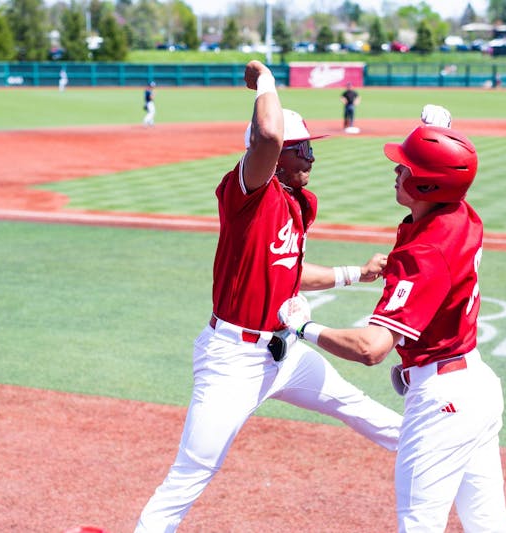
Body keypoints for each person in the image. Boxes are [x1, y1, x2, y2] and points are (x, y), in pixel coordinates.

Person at [133, 60, 403, 532]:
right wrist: (266, 81)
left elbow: (289, 274)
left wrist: (354, 273)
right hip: (232, 359)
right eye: (303, 151)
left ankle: (446, 456)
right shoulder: (247, 195)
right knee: (192, 474)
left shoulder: (298, 204)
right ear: (276, 157)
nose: (311, 160)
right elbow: (268, 136)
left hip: (286, 353)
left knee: (356, 406)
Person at [278, 109, 506, 532]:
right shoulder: (461, 215)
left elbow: (372, 349)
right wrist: (435, 132)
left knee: (419, 525)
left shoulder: (423, 255)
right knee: (489, 526)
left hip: (444, 400)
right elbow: (453, 175)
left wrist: (302, 327)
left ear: (427, 183)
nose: (395, 170)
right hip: (475, 388)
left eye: (405, 167)